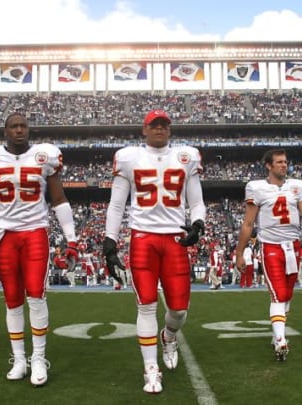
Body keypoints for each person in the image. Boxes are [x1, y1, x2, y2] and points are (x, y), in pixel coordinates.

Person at [0, 112, 78, 387]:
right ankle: (19, 359)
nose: (19, 130)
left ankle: (38, 358)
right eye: (14, 126)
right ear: (5, 131)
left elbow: (59, 199)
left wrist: (71, 240)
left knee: (36, 296)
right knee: (12, 299)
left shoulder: (44, 156)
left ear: (29, 130)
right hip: (5, 236)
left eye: (23, 126)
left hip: (35, 232)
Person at [102, 109, 206, 394]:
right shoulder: (129, 157)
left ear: (170, 130)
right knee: (146, 304)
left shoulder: (186, 157)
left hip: (174, 241)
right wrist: (110, 241)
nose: (160, 129)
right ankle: (151, 370)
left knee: (179, 310)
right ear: (144, 130)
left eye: (164, 125)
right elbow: (116, 204)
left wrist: (198, 224)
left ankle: (169, 335)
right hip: (143, 239)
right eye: (154, 125)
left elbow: (196, 202)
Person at [235, 149, 302, 362]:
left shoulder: (297, 186)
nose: (284, 165)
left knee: (286, 294)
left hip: (293, 246)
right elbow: (248, 223)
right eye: (279, 162)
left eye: (285, 162)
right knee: (277, 294)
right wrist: (239, 253)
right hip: (270, 246)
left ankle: (278, 331)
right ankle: (280, 339)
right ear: (268, 165)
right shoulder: (256, 188)